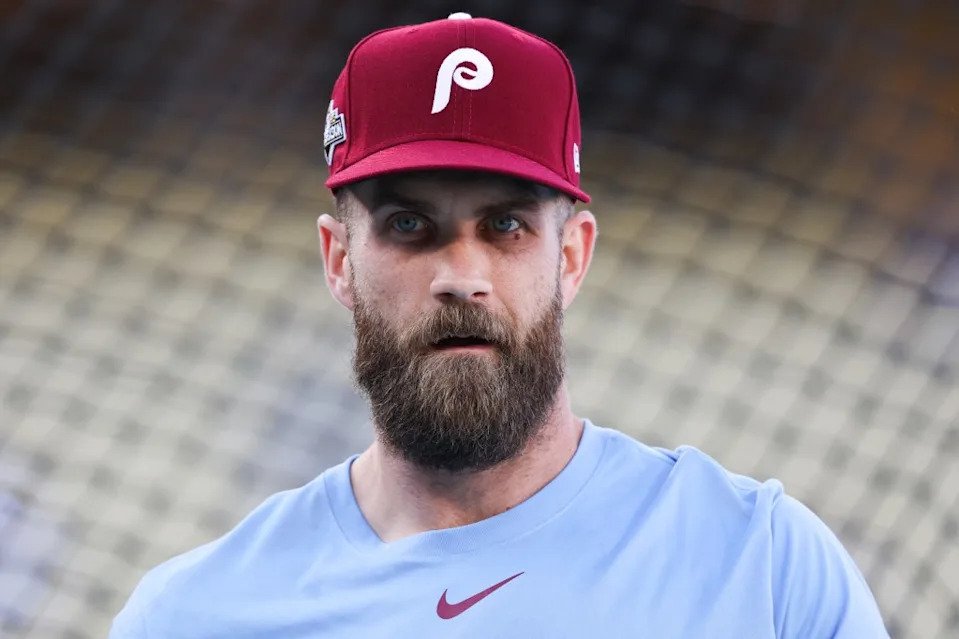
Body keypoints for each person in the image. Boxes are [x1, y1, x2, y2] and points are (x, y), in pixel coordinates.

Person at [111, 14, 889, 638]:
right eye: (409, 224)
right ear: (338, 257)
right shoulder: (197, 614)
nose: (461, 275)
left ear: (572, 255)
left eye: (507, 225)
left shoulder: (758, 564)